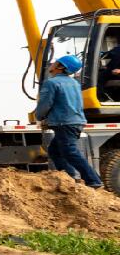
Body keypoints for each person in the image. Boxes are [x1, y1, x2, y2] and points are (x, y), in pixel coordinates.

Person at [36, 55, 103, 188]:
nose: (53, 63)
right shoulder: (75, 83)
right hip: (75, 121)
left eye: (56, 62)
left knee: (70, 151)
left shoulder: (52, 83)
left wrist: (39, 116)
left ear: (61, 67)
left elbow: (45, 104)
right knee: (55, 151)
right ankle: (69, 177)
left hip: (64, 122)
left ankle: (93, 180)